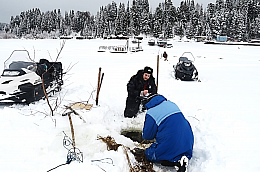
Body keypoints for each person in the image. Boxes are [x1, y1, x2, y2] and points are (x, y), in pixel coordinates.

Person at [142, 94, 194, 172]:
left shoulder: (151, 112)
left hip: (171, 144)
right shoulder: (171, 104)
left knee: (149, 153)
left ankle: (173, 161)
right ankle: (181, 157)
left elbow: (147, 136)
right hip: (188, 142)